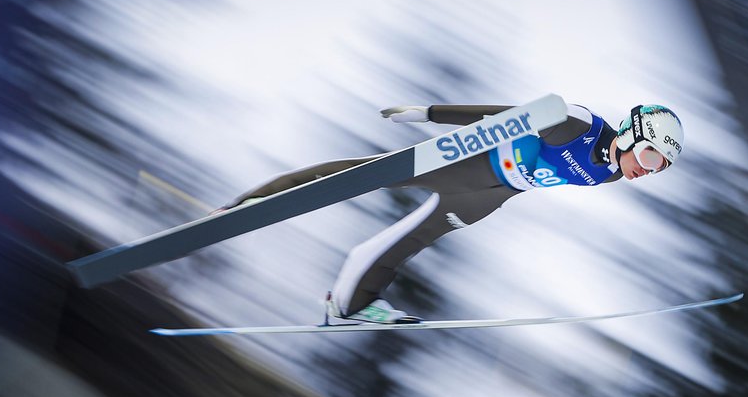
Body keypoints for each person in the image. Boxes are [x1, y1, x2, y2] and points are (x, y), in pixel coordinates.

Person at [218, 102, 685, 324]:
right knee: (360, 175)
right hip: (468, 162)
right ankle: (254, 202)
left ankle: (350, 303)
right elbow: (502, 114)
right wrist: (430, 113)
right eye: (648, 158)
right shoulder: (577, 123)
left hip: (487, 196)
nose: (646, 171)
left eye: (658, 168)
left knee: (409, 241)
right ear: (631, 134)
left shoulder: (609, 175)